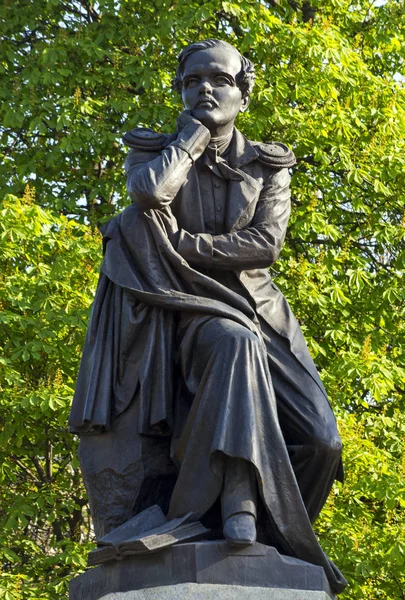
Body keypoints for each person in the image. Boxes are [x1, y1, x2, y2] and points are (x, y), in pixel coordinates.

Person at [69, 39, 347, 593]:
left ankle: (264, 534)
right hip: (188, 310)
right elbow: (149, 196)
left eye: (218, 80)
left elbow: (264, 245)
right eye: (192, 81)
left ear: (242, 93)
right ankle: (221, 510)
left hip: (261, 313)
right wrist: (192, 140)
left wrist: (185, 243)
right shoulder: (155, 152)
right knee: (230, 343)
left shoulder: (267, 165)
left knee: (322, 442)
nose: (205, 90)